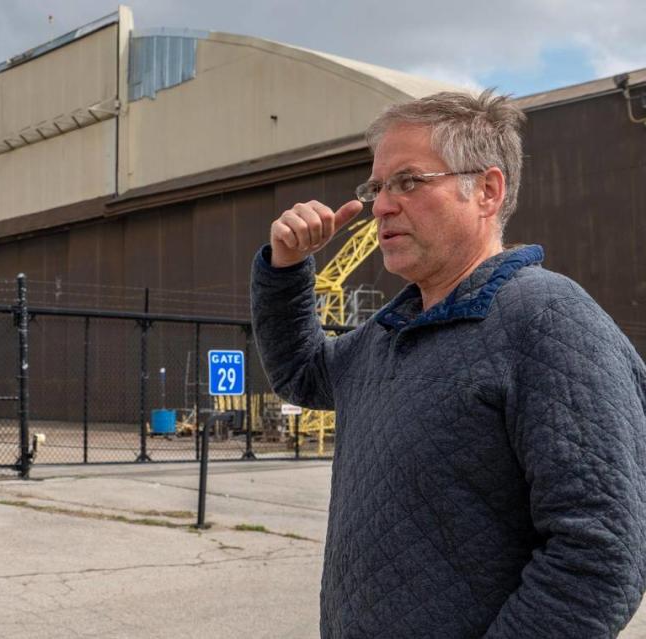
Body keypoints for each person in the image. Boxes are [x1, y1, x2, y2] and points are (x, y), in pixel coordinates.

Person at [250, 90, 646, 638]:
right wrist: (286, 268)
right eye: (377, 186)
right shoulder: (392, 330)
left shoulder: (549, 322)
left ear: (486, 190)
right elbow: (302, 373)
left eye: (409, 181)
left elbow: (598, 557)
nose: (382, 205)